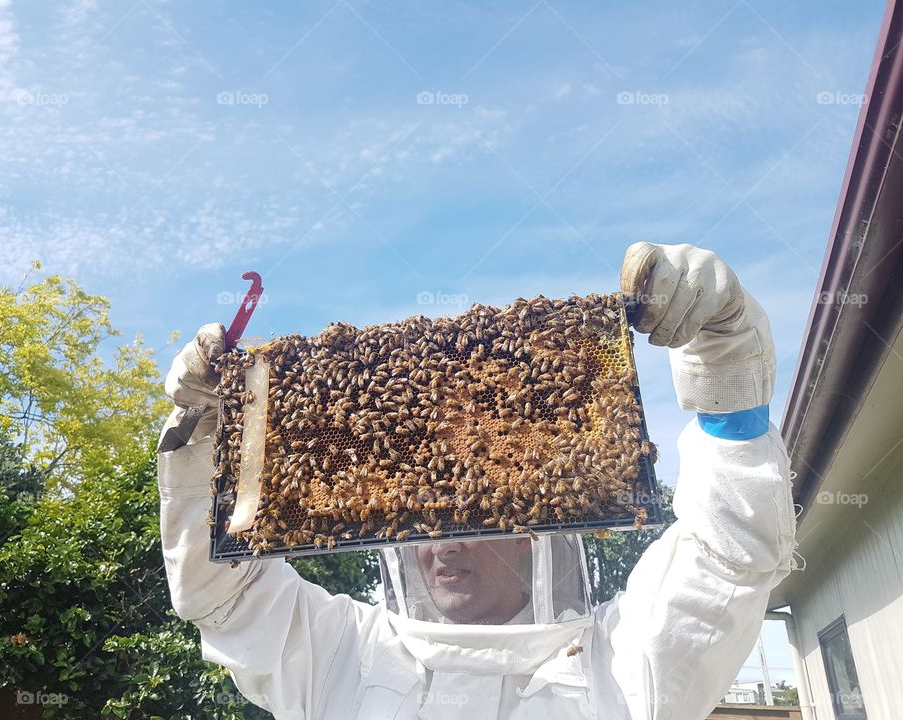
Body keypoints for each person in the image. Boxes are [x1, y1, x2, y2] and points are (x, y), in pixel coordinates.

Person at [158, 242, 797, 719]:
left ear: (536, 530)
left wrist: (727, 367)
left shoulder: (625, 667)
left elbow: (729, 557)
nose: (444, 543)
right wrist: (206, 451)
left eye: (476, 512)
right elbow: (223, 597)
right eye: (422, 515)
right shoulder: (342, 652)